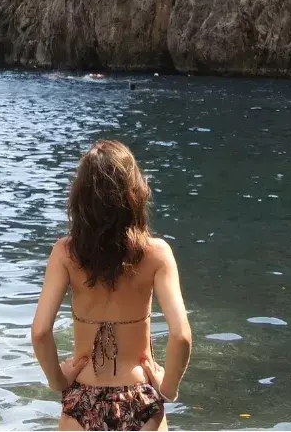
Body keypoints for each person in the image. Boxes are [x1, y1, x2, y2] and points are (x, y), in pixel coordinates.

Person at [31, 140, 191, 431]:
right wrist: (168, 389)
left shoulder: (65, 253)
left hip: (82, 399)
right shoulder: (157, 254)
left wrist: (58, 380)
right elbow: (181, 336)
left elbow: (41, 332)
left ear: (80, 199)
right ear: (136, 193)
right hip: (141, 400)